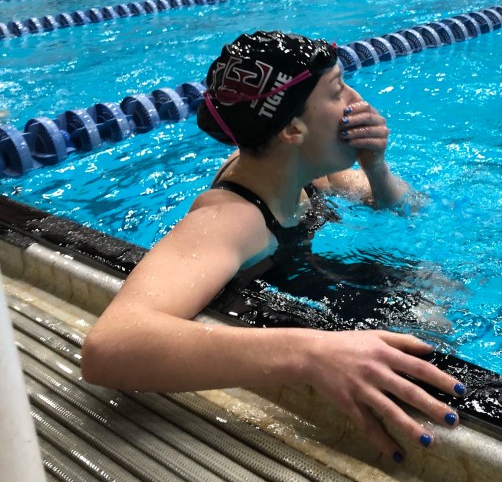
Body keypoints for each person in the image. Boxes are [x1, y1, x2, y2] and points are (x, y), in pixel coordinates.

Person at [81, 30, 465, 463]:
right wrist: (309, 354)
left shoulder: (300, 173)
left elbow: (402, 207)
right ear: (293, 129)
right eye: (338, 90)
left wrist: (375, 165)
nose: (357, 102)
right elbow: (109, 347)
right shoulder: (232, 218)